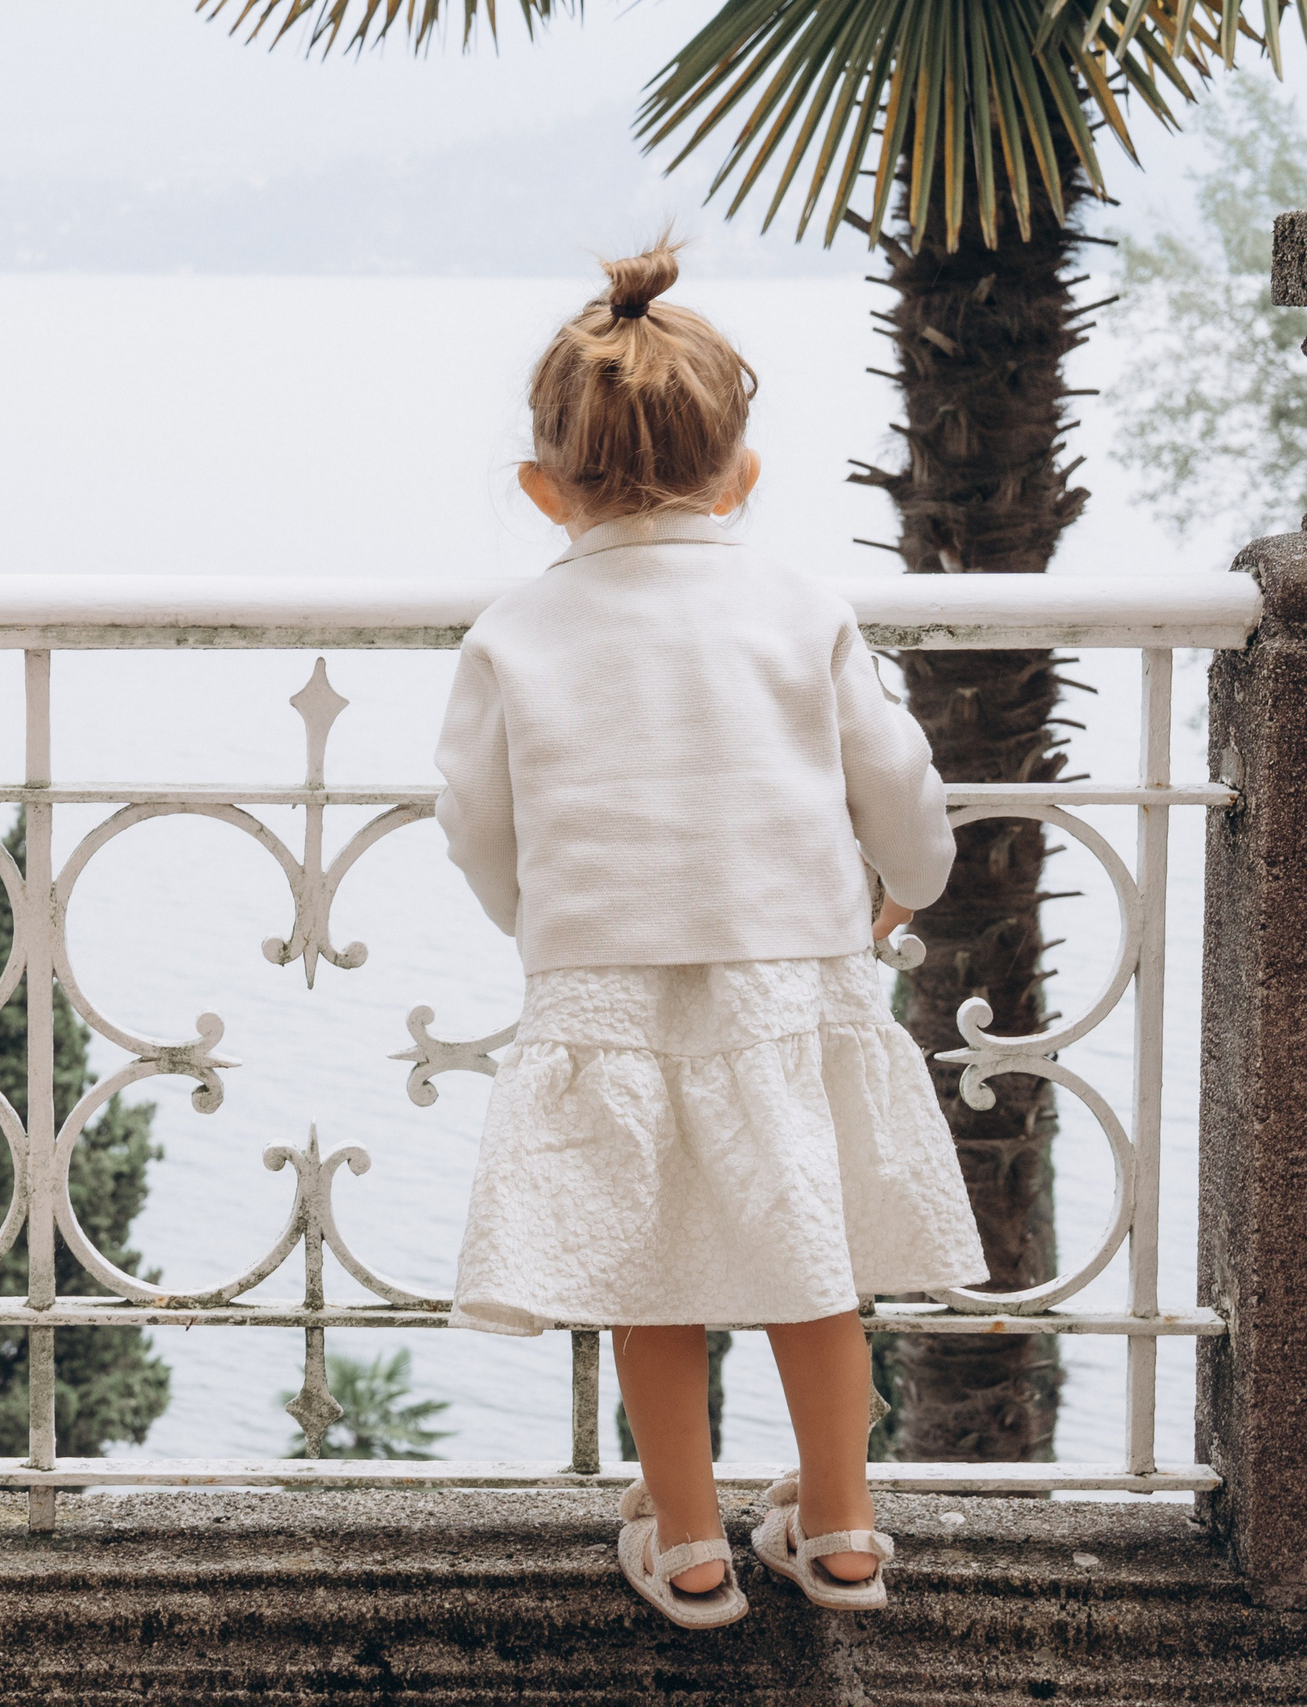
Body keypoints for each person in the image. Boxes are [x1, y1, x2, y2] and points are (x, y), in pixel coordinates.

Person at [432, 240, 985, 1628]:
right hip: (785, 979)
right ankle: (844, 1528)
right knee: (811, 1258)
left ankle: (686, 1542)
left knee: (647, 1265)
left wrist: (541, 927)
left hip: (606, 992)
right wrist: (907, 880)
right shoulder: (802, 607)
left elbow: (475, 822)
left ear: (543, 490)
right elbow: (894, 778)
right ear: (743, 475)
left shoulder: (515, 631)